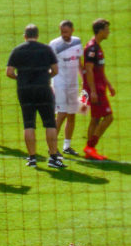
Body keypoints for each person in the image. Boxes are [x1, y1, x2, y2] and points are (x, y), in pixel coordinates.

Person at [6, 24, 65, 169]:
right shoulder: (46, 49)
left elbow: (9, 72)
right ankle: (53, 157)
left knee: (29, 123)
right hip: (43, 89)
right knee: (50, 123)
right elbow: (55, 70)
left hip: (25, 90)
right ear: (37, 35)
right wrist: (45, 77)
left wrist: (20, 79)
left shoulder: (18, 50)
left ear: (25, 36)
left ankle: (32, 158)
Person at [83, 18, 115, 160]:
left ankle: (90, 151)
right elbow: (88, 70)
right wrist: (93, 91)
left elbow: (99, 70)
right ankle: (90, 146)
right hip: (96, 90)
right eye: (107, 29)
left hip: (100, 88)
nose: (108, 32)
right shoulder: (91, 48)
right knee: (108, 117)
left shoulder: (97, 46)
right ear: (100, 31)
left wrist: (108, 84)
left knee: (95, 119)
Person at [49, 20, 83, 156]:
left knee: (72, 114)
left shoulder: (77, 41)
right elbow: (49, 65)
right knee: (61, 114)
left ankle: (67, 146)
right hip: (59, 84)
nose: (64, 35)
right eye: (62, 32)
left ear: (72, 30)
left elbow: (80, 62)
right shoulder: (54, 44)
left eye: (66, 32)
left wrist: (84, 81)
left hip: (73, 84)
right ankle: (52, 147)